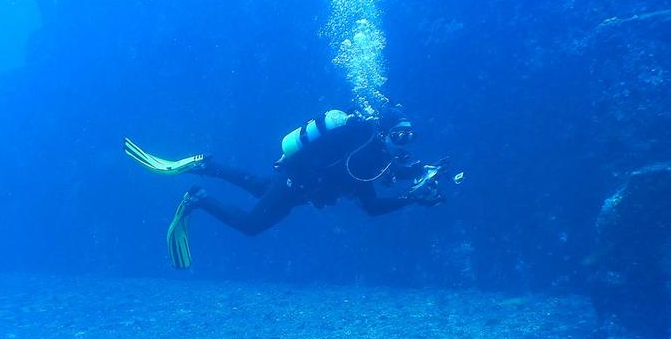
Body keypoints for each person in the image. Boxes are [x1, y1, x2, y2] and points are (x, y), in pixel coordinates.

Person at [124, 106, 453, 268]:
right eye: (399, 136)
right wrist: (412, 198)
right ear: (384, 133)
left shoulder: (375, 153)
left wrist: (416, 176)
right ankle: (198, 198)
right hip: (297, 184)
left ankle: (207, 166)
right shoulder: (365, 153)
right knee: (250, 225)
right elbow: (372, 206)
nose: (403, 143)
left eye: (410, 138)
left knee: (260, 188)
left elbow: (389, 174)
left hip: (296, 182)